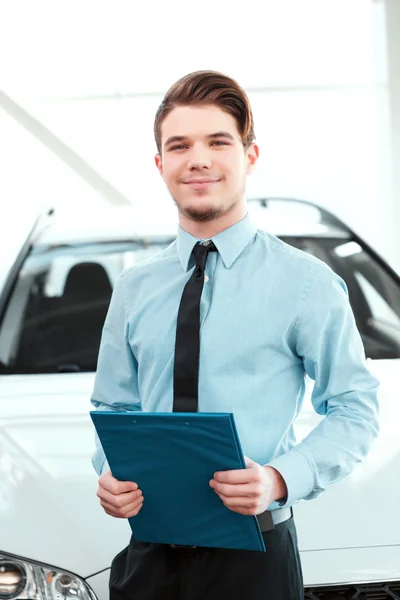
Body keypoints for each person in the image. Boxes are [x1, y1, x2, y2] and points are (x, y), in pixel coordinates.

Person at [90, 70, 380, 600]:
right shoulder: (134, 289)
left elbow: (356, 406)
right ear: (161, 165)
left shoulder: (306, 283)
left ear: (250, 155)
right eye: (179, 145)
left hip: (256, 564)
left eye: (217, 141)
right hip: (147, 563)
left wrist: (279, 478)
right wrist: (111, 471)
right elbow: (113, 408)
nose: (197, 158)